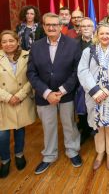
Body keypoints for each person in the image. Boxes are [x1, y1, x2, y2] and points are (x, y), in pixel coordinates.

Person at [27, 13, 82, 174]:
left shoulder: (73, 44)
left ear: (61, 26)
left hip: (66, 93)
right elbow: (31, 73)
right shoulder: (36, 46)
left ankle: (72, 151)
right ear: (43, 26)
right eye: (48, 25)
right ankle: (49, 155)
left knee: (69, 124)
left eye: (55, 25)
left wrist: (62, 90)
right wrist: (47, 92)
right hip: (44, 96)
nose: (51, 28)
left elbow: (77, 71)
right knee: (48, 126)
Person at [77, 23, 109, 171]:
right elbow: (83, 71)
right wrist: (96, 91)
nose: (105, 36)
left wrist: (106, 90)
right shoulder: (88, 51)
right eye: (102, 33)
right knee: (97, 125)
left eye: (108, 34)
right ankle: (100, 153)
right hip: (94, 95)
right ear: (96, 35)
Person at [0, 31, 36, 178]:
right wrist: (8, 97)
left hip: (21, 99)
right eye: (4, 41)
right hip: (3, 101)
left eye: (11, 41)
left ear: (17, 41)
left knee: (19, 128)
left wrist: (20, 95)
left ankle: (19, 154)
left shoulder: (27, 55)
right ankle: (5, 159)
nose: (8, 44)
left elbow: (32, 77)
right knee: (2, 134)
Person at [76, 17, 95, 144]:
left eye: (89, 26)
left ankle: (95, 128)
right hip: (78, 82)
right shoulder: (73, 43)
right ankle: (84, 129)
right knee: (81, 107)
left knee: (94, 107)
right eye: (83, 26)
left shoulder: (100, 40)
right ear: (79, 29)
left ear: (93, 28)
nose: (86, 28)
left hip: (95, 81)